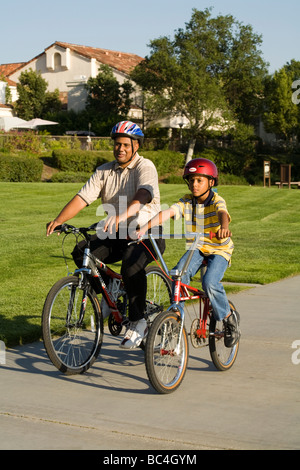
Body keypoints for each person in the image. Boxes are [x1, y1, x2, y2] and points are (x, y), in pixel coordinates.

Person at [46, 120, 165, 349]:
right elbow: (83, 198)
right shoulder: (104, 171)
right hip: (117, 231)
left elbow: (143, 195)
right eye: (117, 145)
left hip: (147, 232)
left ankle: (139, 321)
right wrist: (59, 220)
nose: (120, 149)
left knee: (131, 265)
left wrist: (121, 216)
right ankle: (109, 292)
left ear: (136, 146)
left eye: (125, 145)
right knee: (82, 252)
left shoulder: (145, 166)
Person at [137, 157, 240, 347]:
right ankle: (176, 320)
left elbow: (222, 214)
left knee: (209, 282)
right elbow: (167, 213)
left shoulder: (217, 200)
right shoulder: (186, 201)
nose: (194, 184)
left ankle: (228, 317)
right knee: (178, 276)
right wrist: (145, 227)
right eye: (191, 180)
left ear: (211, 182)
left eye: (199, 180)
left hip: (219, 248)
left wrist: (224, 227)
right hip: (197, 248)